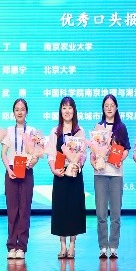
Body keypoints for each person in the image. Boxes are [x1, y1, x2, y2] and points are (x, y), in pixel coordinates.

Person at [1, 98, 45, 260]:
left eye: (22, 109)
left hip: (26, 171)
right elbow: (3, 154)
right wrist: (8, 169)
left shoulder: (32, 131)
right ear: (13, 112)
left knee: (24, 210)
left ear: (27, 112)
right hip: (12, 171)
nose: (20, 112)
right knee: (12, 210)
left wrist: (32, 162)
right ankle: (11, 245)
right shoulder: (8, 131)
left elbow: (38, 153)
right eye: (17, 109)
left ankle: (21, 246)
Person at [50, 97, 90, 259]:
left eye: (70, 108)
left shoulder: (80, 131)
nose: (67, 111)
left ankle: (72, 245)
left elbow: (84, 154)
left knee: (74, 210)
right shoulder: (55, 131)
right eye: (64, 108)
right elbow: (51, 154)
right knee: (61, 210)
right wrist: (54, 170)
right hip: (60, 175)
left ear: (74, 111)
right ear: (60, 111)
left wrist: (76, 165)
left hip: (75, 176)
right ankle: (62, 245)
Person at [90, 95, 129, 259]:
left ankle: (113, 247)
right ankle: (102, 247)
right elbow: (92, 151)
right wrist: (93, 161)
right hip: (100, 174)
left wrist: (120, 159)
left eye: (112, 105)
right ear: (103, 108)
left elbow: (126, 149)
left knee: (115, 213)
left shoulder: (121, 127)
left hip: (116, 174)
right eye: (106, 105)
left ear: (116, 107)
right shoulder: (98, 127)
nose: (109, 108)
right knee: (100, 213)